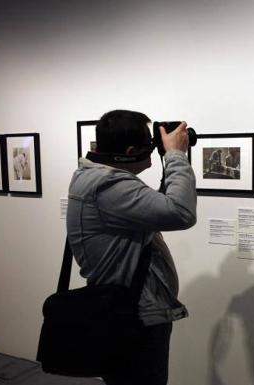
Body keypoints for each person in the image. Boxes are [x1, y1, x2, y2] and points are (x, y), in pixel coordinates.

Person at [66, 110, 197, 385]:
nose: (153, 148)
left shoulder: (93, 176)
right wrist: (175, 156)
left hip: (128, 309)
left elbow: (157, 209)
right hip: (135, 316)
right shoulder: (107, 185)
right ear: (128, 152)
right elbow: (181, 212)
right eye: (148, 145)